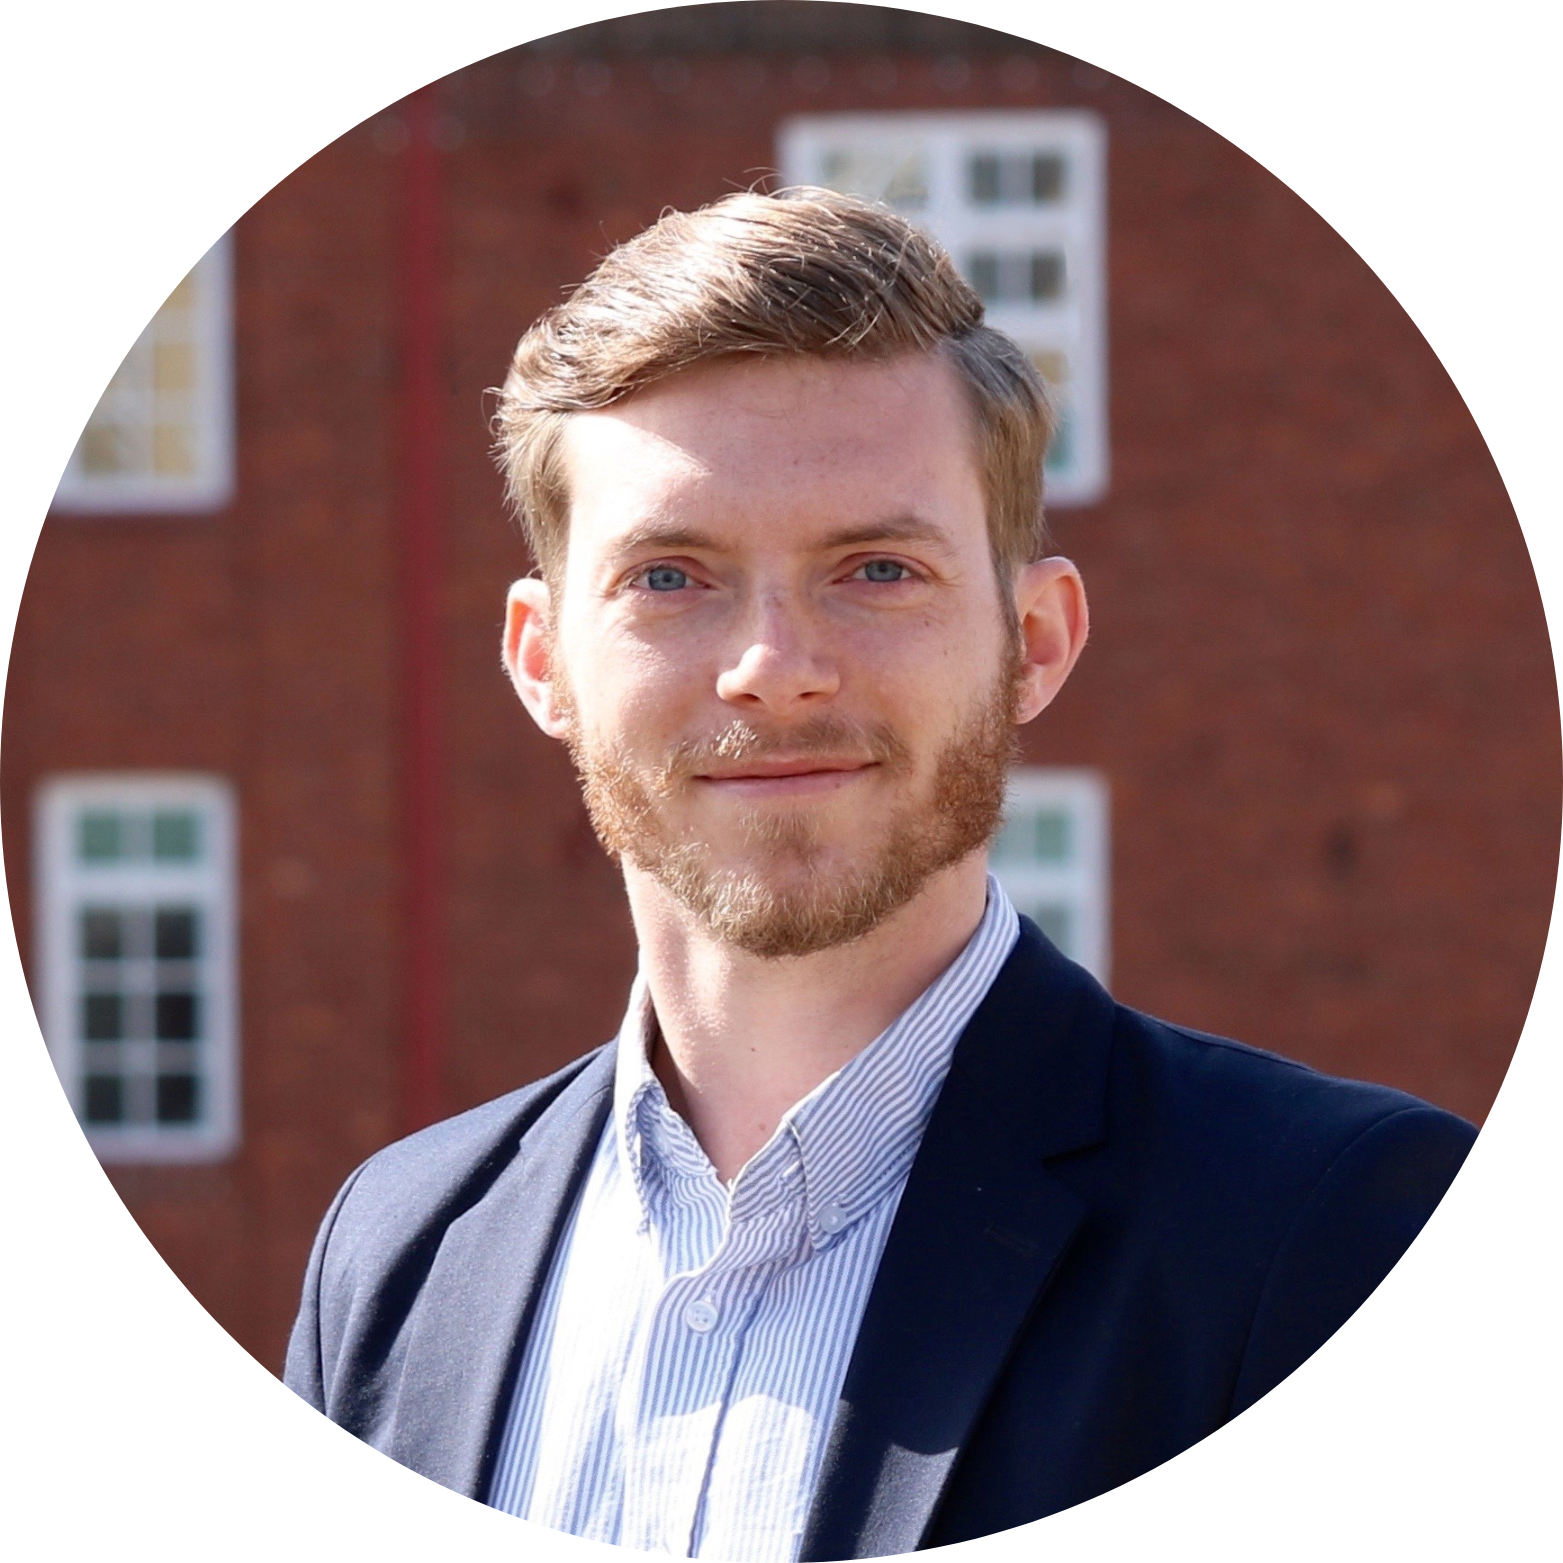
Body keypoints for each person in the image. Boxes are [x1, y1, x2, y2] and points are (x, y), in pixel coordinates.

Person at [284, 189, 1476, 1557]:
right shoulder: (395, 1257)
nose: (774, 666)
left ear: (1033, 639)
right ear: (542, 661)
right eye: (671, 576)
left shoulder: (1317, 1232)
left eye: (875, 567)